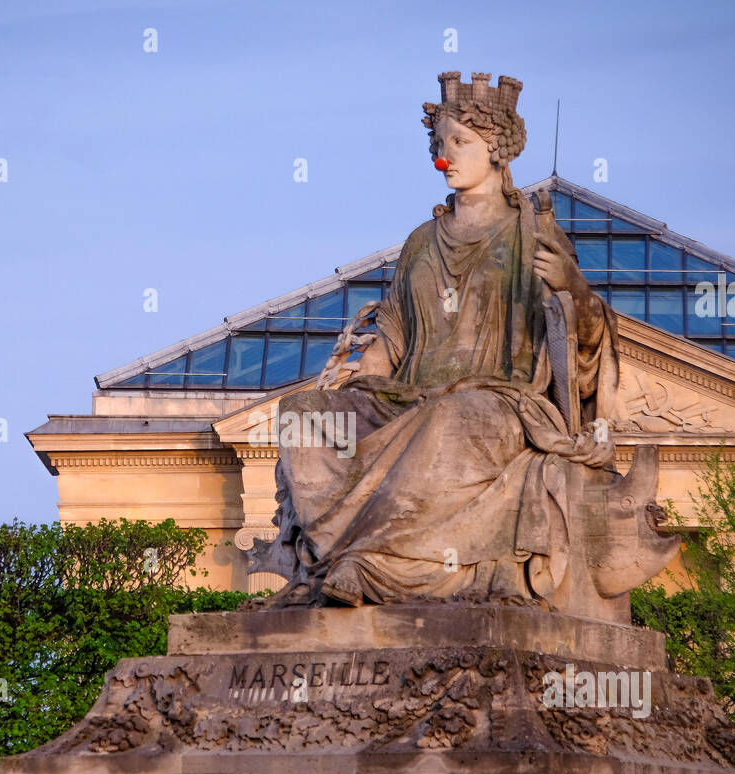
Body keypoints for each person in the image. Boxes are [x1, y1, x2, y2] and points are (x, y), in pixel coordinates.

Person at [252, 72, 621, 608]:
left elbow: (580, 337)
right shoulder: (421, 241)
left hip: (498, 401)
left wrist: (573, 288)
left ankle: (372, 561)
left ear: (497, 149)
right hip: (407, 396)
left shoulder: (532, 232)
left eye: (460, 142)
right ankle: (337, 557)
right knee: (304, 415)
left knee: (446, 421)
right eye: (440, 143)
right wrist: (365, 372)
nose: (444, 155)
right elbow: (394, 333)